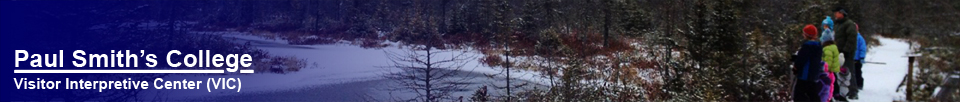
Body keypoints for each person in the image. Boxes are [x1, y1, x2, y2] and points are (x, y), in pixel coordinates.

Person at [832, 7, 860, 99]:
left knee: (849, 72)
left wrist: (846, 51)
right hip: (838, 52)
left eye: (837, 12)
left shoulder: (849, 24)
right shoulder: (838, 24)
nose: (835, 14)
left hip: (847, 53)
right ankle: (843, 91)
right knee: (840, 73)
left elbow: (851, 39)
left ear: (842, 13)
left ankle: (853, 91)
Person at [794, 25, 824, 101]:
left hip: (804, 75)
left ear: (806, 35)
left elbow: (801, 60)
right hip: (813, 75)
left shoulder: (807, 46)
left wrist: (796, 67)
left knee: (799, 95)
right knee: (813, 94)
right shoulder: (818, 46)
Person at [820, 24, 841, 101]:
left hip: (829, 70)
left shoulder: (827, 48)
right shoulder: (833, 46)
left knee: (829, 84)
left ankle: (830, 96)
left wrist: (825, 69)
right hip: (833, 69)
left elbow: (828, 60)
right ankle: (835, 94)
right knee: (834, 83)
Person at [854, 25, 868, 90]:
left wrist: (862, 57)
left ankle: (859, 84)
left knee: (858, 72)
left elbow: (863, 48)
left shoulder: (859, 38)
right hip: (852, 59)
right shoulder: (850, 37)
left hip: (858, 60)